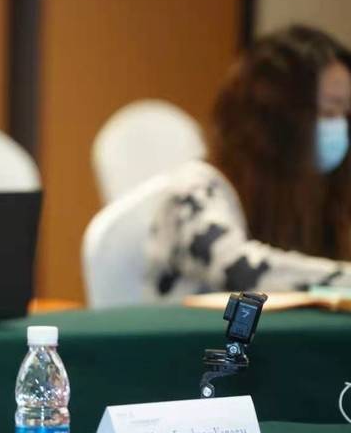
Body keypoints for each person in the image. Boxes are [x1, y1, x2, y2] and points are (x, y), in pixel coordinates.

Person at [147, 25, 351, 301]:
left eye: (345, 113)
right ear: (274, 118)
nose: (339, 127)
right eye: (327, 111)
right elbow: (239, 269)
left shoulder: (321, 196)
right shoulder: (194, 190)